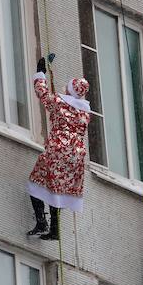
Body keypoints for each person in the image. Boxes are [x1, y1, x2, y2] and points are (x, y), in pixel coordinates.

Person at [26, 56, 91, 241]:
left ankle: (41, 221)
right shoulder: (85, 113)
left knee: (36, 182)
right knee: (58, 189)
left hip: (58, 151)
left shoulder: (59, 104)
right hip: (75, 156)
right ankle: (54, 229)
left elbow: (43, 93)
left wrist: (40, 74)